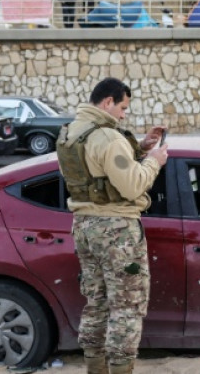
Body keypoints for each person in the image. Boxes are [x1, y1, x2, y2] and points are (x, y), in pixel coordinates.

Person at [57, 78, 168, 374]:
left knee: (97, 302)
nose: (123, 115)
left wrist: (140, 148)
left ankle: (95, 368)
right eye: (122, 107)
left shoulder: (72, 133)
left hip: (84, 225)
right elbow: (132, 186)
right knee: (127, 308)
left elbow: (98, 171)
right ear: (107, 102)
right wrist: (154, 161)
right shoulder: (107, 137)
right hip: (116, 230)